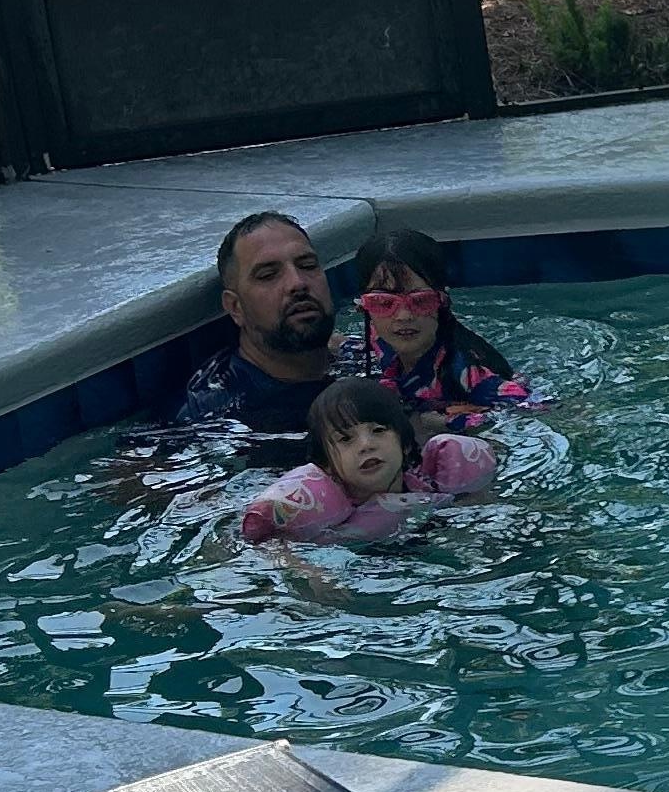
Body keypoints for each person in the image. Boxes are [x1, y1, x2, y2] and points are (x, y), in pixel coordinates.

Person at [239, 377, 496, 546]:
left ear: (405, 444)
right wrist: (304, 569)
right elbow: (270, 547)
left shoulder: (432, 485)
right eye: (345, 439)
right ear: (327, 465)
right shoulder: (317, 515)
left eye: (379, 430)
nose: (366, 445)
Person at [173, 212, 343, 445]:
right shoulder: (211, 415)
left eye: (307, 265)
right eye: (268, 275)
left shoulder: (363, 352)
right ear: (235, 307)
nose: (297, 283)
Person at [339, 222, 535, 419]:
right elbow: (341, 343)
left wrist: (449, 423)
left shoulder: (468, 374)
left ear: (442, 302)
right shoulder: (380, 341)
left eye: (421, 300)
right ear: (362, 307)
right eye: (383, 302)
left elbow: (526, 405)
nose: (403, 316)